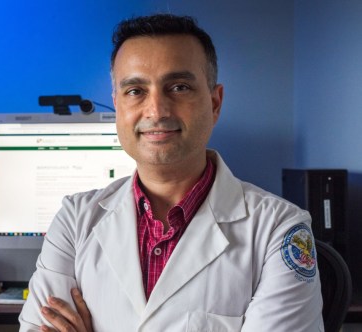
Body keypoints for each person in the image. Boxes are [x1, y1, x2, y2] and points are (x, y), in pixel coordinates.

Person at [19, 13, 324, 331]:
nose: (156, 110)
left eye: (178, 87)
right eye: (135, 91)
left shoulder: (279, 229)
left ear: (215, 102)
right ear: (118, 106)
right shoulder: (74, 219)